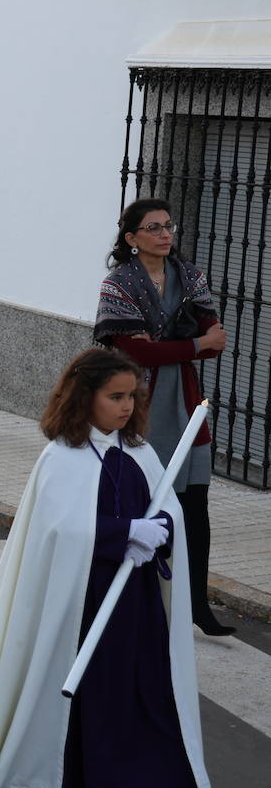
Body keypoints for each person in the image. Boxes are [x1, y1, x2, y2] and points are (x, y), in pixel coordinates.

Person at [0, 348, 213, 788]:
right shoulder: (62, 456)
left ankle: (148, 780)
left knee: (140, 682)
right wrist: (123, 533)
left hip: (134, 597)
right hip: (81, 596)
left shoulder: (139, 451)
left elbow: (168, 506)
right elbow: (56, 528)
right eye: (114, 397)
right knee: (93, 686)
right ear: (86, 397)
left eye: (131, 397)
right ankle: (79, 777)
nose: (125, 406)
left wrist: (158, 529)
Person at [95, 197, 234, 636]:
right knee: (146, 504)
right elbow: (137, 352)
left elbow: (218, 339)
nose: (165, 233)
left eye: (168, 225)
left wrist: (171, 344)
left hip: (185, 402)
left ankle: (197, 606)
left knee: (195, 503)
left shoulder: (190, 276)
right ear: (132, 239)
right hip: (140, 404)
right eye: (153, 227)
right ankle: (139, 597)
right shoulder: (117, 284)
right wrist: (190, 343)